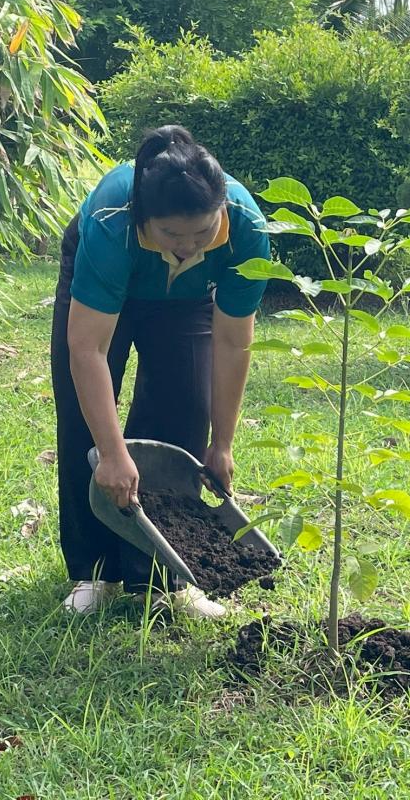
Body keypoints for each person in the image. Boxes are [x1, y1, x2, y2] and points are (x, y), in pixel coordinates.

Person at [50, 125, 270, 618]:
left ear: (221, 212)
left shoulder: (248, 232)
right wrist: (110, 452)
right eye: (172, 234)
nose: (188, 246)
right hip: (110, 288)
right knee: (86, 427)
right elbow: (87, 349)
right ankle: (96, 572)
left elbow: (234, 341)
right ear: (145, 217)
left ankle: (164, 579)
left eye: (202, 232)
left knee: (184, 413)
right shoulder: (112, 222)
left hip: (186, 299)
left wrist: (223, 443)